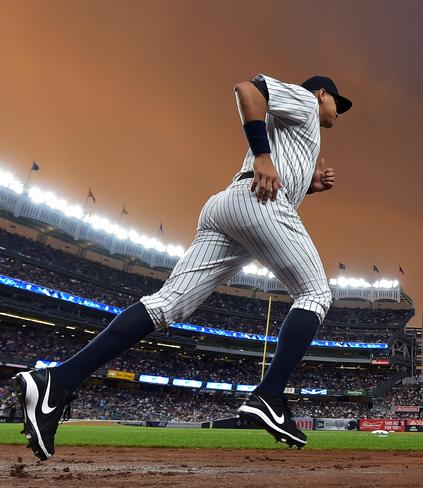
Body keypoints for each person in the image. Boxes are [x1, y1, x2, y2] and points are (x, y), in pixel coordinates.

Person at [13, 73, 352, 460]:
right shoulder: (307, 101)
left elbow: (284, 167)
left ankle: (57, 381)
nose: (337, 112)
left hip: (230, 206)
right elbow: (248, 89)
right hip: (258, 203)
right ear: (321, 94)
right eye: (336, 103)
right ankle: (270, 395)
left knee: (166, 305)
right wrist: (261, 155)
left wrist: (309, 186)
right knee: (315, 293)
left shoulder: (300, 126)